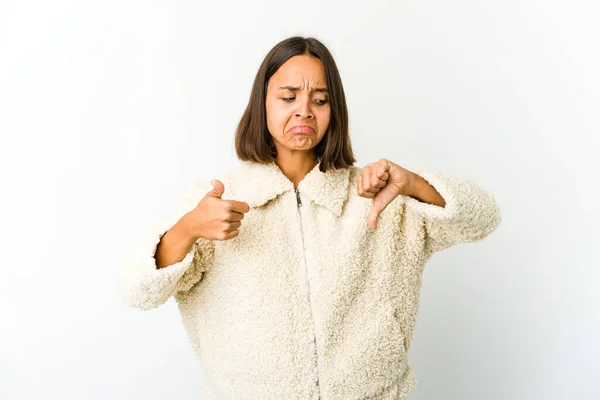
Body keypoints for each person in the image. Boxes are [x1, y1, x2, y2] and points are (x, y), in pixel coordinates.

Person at [118, 36, 502, 400]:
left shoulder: (380, 196)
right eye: (288, 96)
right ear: (262, 104)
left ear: (334, 111)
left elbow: (484, 218)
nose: (304, 109)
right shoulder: (216, 202)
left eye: (319, 99)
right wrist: (188, 229)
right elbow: (136, 290)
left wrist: (414, 184)